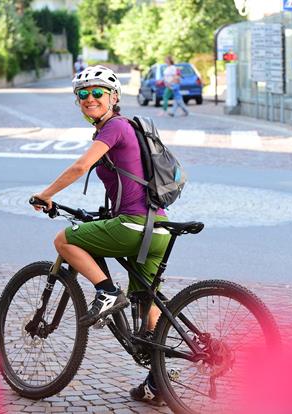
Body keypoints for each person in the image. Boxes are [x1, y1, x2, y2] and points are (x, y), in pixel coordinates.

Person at [31, 65, 169, 406]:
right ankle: (158, 382)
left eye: (97, 92)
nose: (90, 98)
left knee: (64, 240)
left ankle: (106, 292)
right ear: (77, 101)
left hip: (134, 227)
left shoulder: (114, 127)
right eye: (83, 94)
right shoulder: (128, 129)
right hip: (158, 228)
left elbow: (79, 167)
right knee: (145, 301)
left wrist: (46, 194)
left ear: (114, 97)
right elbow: (127, 184)